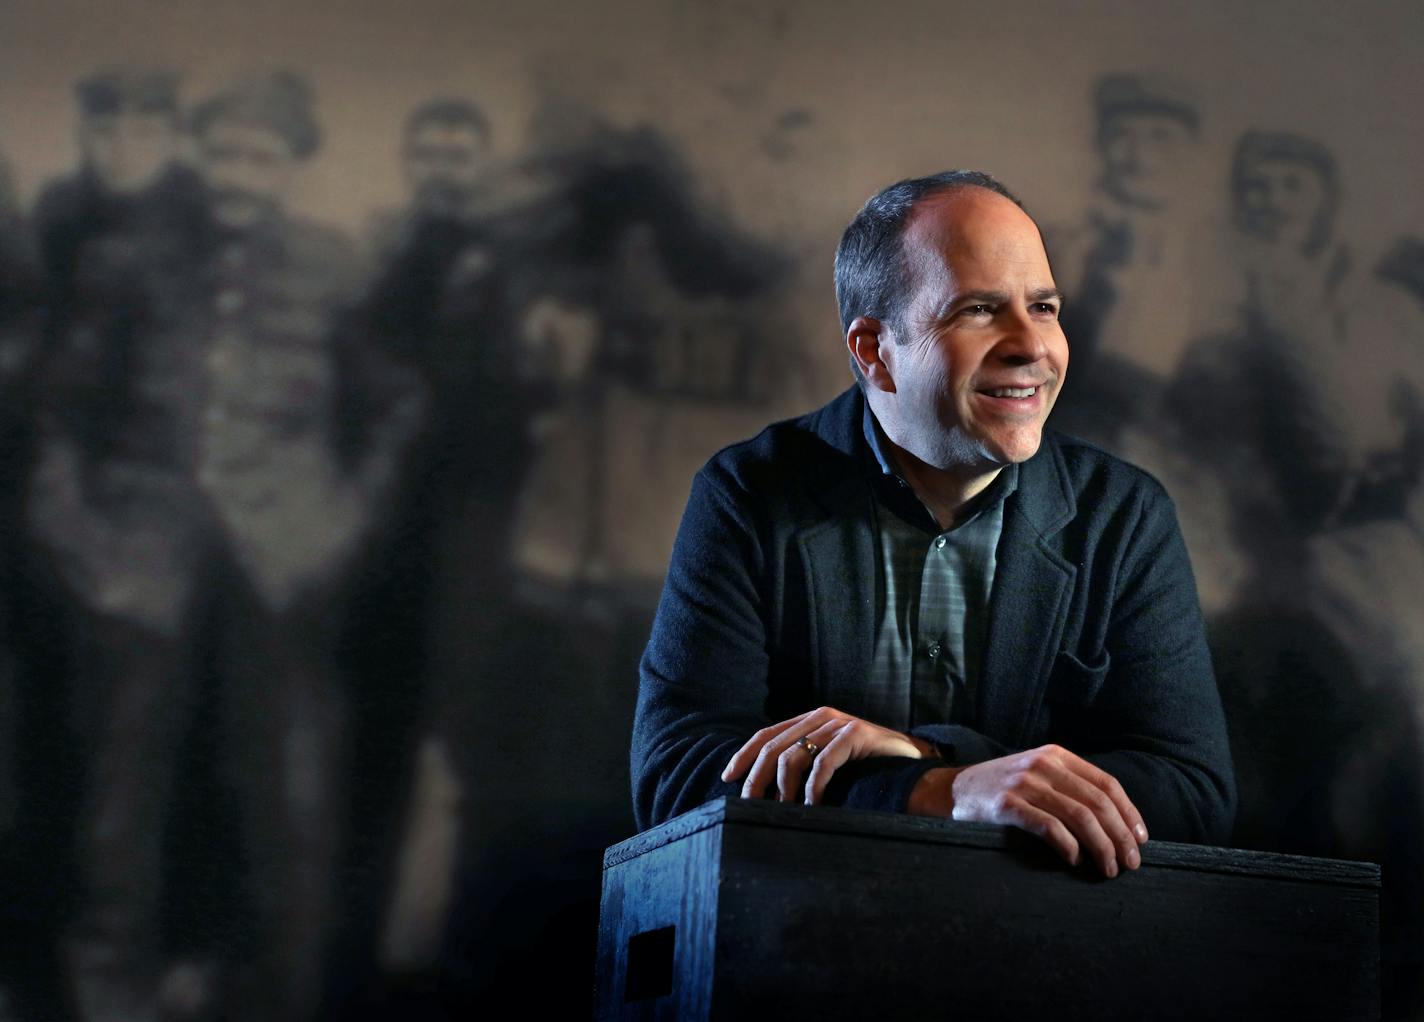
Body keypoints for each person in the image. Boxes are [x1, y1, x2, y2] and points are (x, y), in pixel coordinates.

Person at [632, 171, 1236, 878]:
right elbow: (677, 782)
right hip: (803, 947)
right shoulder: (749, 494)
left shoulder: (1125, 515)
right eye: (979, 309)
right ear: (873, 351)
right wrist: (936, 792)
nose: (1030, 346)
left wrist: (932, 756)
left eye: (1042, 307)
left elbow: (1192, 794)